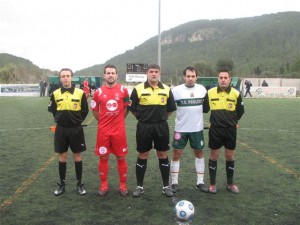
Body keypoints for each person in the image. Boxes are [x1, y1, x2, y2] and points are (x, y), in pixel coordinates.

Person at [129, 64, 177, 197]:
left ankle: (166, 186)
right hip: (144, 126)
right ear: (147, 73)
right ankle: (139, 186)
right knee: (143, 155)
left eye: (156, 72)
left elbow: (171, 108)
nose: (154, 74)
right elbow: (132, 109)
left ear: (159, 73)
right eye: (151, 72)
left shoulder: (166, 89)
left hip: (161, 126)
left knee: (163, 155)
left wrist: (161, 118)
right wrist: (143, 118)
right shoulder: (138, 89)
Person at [90, 64, 130, 197]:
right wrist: (103, 122)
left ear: (117, 75)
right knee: (103, 157)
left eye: (113, 73)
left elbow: (126, 109)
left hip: (119, 132)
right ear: (104, 75)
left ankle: (123, 186)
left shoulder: (124, 91)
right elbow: (95, 111)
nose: (110, 75)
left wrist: (118, 120)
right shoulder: (98, 92)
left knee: (121, 157)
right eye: (108, 73)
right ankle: (103, 185)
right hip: (103, 132)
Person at [48, 68, 89, 196]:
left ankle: (79, 184)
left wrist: (75, 121)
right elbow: (53, 111)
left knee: (77, 156)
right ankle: (62, 184)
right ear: (60, 78)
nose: (65, 78)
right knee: (63, 156)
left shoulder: (80, 93)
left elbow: (85, 111)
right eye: (63, 76)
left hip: (76, 129)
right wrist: (61, 120)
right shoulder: (55, 94)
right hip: (61, 129)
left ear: (72, 77)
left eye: (68, 76)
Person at [203, 69, 245, 194]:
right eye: (221, 77)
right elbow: (205, 109)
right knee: (214, 156)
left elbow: (240, 111)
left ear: (229, 79)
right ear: (218, 79)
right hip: (215, 129)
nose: (223, 80)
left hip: (230, 130)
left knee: (229, 156)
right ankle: (212, 184)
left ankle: (230, 184)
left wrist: (233, 121)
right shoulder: (210, 93)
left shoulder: (236, 93)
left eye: (225, 77)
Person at [170, 66, 208, 193]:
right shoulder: (176, 91)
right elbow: (169, 107)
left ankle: (200, 182)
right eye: (188, 76)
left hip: (197, 129)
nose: (190, 78)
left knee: (199, 153)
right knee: (176, 153)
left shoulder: (202, 89)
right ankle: (174, 181)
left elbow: (207, 107)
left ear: (196, 77)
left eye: (193, 76)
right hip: (180, 129)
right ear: (184, 77)